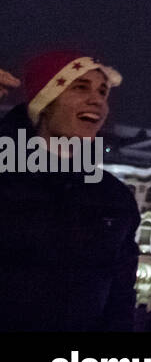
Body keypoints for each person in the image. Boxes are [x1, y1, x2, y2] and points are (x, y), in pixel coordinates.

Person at [0, 52, 140, 331]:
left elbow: (119, 298)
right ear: (45, 103)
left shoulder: (115, 197)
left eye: (103, 91)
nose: (97, 99)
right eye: (80, 87)